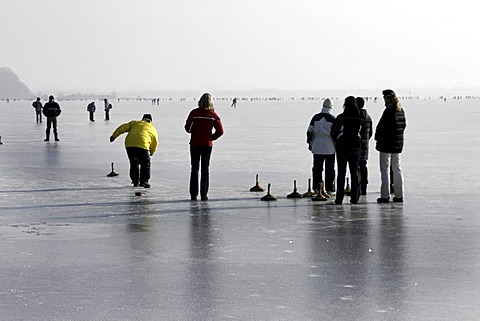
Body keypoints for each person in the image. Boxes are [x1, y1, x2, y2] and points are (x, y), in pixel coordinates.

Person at [184, 93, 224, 201]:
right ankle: (204, 195)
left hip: (195, 144)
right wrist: (211, 137)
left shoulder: (194, 113)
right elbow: (220, 131)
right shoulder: (213, 115)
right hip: (207, 145)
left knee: (194, 169)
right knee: (205, 169)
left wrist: (194, 131)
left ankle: (193, 194)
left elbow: (188, 128)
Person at [330, 96, 365, 205]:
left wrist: (337, 141)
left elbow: (334, 132)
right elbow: (364, 135)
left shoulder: (341, 118)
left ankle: (339, 198)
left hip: (342, 148)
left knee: (341, 173)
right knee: (354, 173)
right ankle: (354, 198)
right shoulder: (360, 119)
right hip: (356, 148)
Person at [375, 89, 407, 203]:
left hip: (386, 145)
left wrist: (377, 138)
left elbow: (381, 128)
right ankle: (399, 195)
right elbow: (403, 126)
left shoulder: (388, 112)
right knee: (397, 169)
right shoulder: (400, 111)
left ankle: (385, 195)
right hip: (397, 145)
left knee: (385, 170)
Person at [110, 114, 158, 188]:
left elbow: (123, 127)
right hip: (143, 145)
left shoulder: (135, 123)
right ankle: (144, 181)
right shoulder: (152, 128)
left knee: (133, 163)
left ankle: (135, 181)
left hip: (130, 144)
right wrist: (152, 152)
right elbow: (154, 142)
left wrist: (114, 136)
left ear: (142, 119)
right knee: (145, 164)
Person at [306, 98, 336, 195]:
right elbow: (335, 134)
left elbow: (309, 131)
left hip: (317, 145)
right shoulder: (332, 118)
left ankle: (316, 188)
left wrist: (309, 143)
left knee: (317, 168)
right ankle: (330, 189)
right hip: (329, 146)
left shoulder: (315, 117)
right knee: (330, 169)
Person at [356, 97, 373, 195]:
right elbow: (370, 132)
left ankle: (357, 187)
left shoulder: (356, 116)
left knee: (356, 166)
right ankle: (364, 187)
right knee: (363, 165)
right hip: (365, 145)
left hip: (356, 144)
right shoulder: (368, 117)